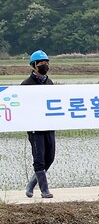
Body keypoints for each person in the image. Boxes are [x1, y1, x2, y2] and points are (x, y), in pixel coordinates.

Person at [22, 50, 55, 198]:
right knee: (39, 158)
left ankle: (32, 183)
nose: (44, 65)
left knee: (50, 157)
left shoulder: (49, 82)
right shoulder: (26, 85)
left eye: (46, 62)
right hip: (35, 128)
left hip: (48, 126)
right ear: (34, 66)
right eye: (41, 63)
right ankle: (44, 190)